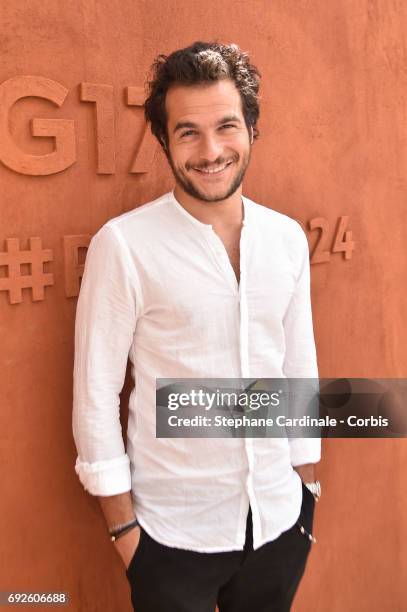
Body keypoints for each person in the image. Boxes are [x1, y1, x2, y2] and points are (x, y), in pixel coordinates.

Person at [72, 41, 322, 612]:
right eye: (188, 132)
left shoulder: (285, 240)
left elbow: (297, 367)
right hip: (170, 539)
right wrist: (125, 536)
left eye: (226, 126)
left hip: (280, 524)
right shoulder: (126, 245)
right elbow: (95, 395)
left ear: (252, 129)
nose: (210, 151)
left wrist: (307, 486)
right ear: (164, 141)